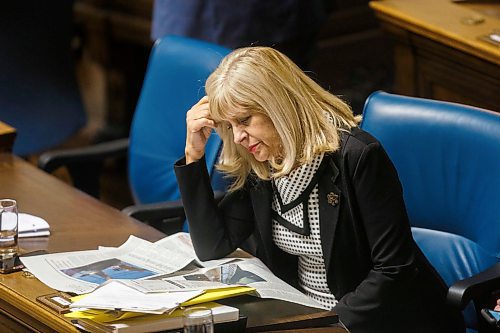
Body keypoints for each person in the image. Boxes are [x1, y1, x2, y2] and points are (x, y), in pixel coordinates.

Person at [174, 47, 465, 332]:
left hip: (371, 321)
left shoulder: (358, 156)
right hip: (304, 313)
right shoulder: (262, 162)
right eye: (229, 125)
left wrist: (328, 324)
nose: (237, 137)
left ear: (278, 104)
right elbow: (212, 246)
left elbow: (394, 270)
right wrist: (193, 157)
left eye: (244, 120)